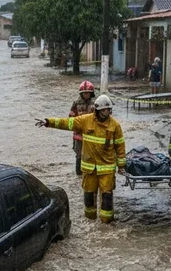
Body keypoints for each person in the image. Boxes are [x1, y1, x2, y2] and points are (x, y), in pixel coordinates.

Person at [36, 95, 126, 224]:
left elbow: (120, 146)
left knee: (107, 198)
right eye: (104, 110)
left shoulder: (115, 126)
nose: (107, 112)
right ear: (97, 110)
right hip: (89, 169)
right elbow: (67, 123)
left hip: (107, 169)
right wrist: (48, 122)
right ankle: (90, 223)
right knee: (88, 197)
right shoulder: (85, 121)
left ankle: (107, 224)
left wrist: (121, 166)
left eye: (108, 110)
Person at [70, 81, 96, 175]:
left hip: (91, 134)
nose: (86, 95)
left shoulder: (95, 103)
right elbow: (71, 117)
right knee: (79, 155)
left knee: (92, 154)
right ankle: (79, 174)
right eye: (84, 93)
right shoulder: (76, 103)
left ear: (91, 93)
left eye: (88, 93)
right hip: (79, 134)